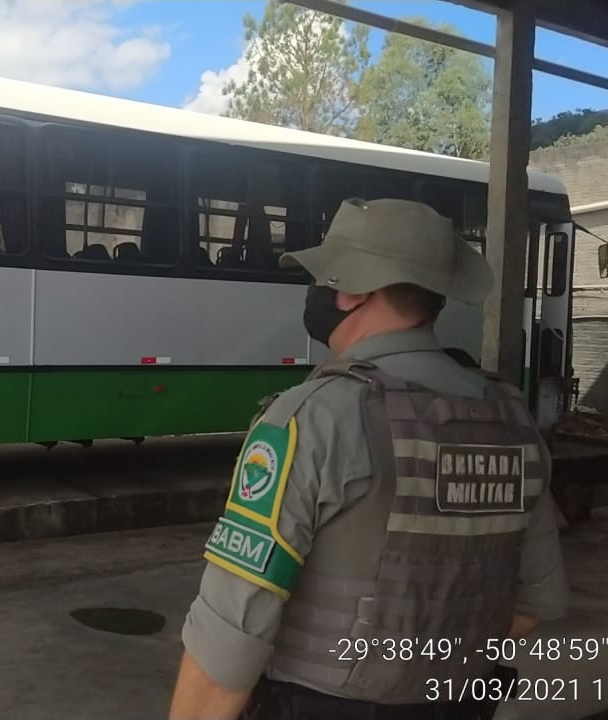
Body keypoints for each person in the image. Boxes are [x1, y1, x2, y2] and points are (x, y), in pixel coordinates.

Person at [168, 198, 568, 720]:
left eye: (323, 277)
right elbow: (539, 601)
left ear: (353, 287)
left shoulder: (313, 417)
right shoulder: (512, 419)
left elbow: (228, 638)